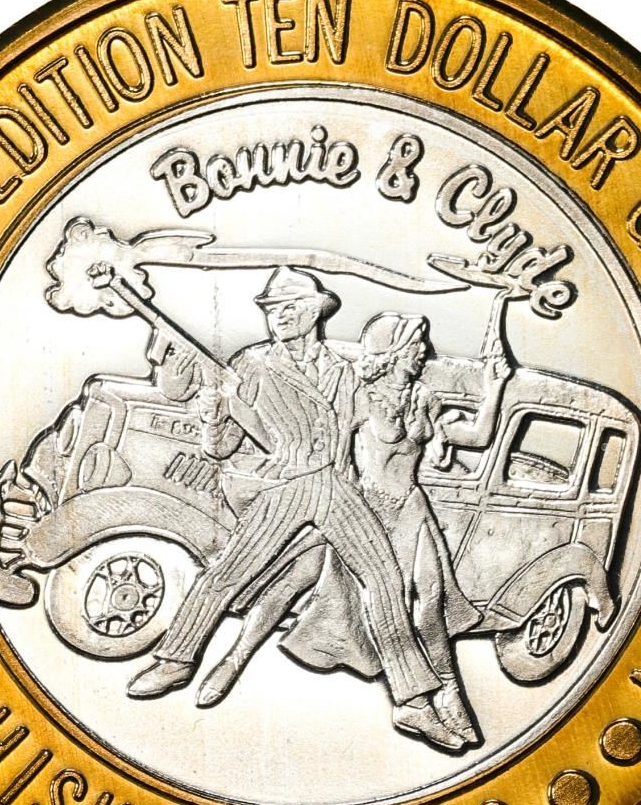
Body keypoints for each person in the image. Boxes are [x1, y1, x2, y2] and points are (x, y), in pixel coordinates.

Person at [127, 267, 465, 751]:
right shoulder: (251, 365)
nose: (279, 317)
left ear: (314, 313)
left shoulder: (343, 372)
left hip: (336, 487)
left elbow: (369, 437)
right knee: (226, 573)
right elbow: (221, 447)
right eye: (272, 310)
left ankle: (411, 702)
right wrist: (214, 416)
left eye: (290, 308)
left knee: (385, 581)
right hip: (288, 485)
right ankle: (175, 661)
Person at [198, 312, 510, 745]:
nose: (424, 352)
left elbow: (476, 437)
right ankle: (232, 660)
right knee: (291, 581)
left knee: (431, 603)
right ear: (392, 353)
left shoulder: (423, 398)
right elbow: (327, 449)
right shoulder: (357, 395)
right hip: (360, 509)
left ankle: (447, 698)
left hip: (410, 509)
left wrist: (495, 387)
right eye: (416, 345)